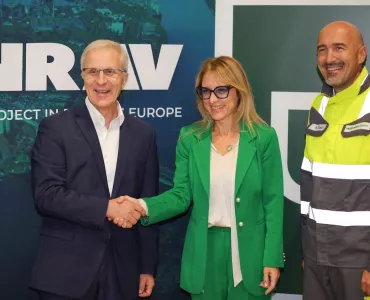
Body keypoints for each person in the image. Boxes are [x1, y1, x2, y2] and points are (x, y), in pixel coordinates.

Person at [116, 56, 284, 300]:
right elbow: (181, 195)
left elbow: (273, 202)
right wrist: (141, 206)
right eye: (206, 91)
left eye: (221, 90)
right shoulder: (189, 138)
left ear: (239, 92)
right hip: (204, 254)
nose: (212, 100)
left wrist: (272, 258)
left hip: (251, 255)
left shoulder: (263, 138)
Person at [30, 40, 159, 300]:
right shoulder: (55, 128)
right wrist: (108, 208)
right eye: (92, 72)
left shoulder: (143, 134)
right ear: (82, 77)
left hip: (124, 272)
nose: (101, 81)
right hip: (66, 271)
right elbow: (47, 195)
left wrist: (147, 266)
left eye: (110, 72)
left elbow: (148, 203)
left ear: (124, 78)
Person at [300, 21, 370, 300]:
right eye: (322, 50)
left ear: (361, 54)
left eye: (339, 48)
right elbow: (308, 184)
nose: (329, 58)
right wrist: (308, 251)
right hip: (317, 257)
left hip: (359, 262)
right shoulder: (319, 106)